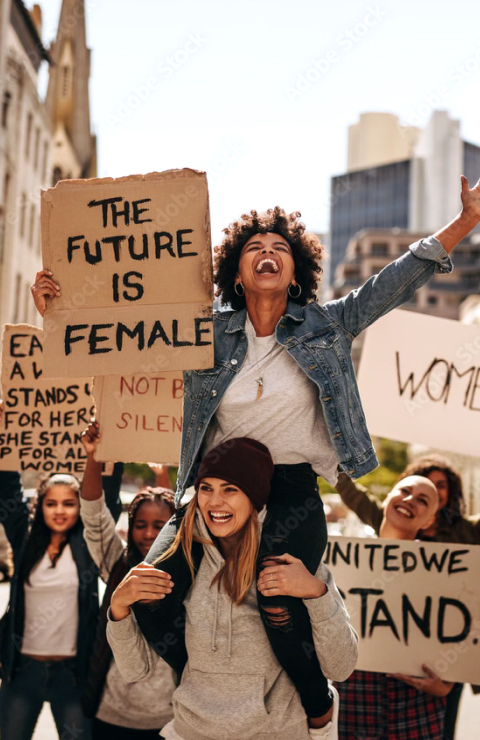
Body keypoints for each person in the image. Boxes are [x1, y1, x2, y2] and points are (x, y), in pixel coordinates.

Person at [32, 176, 480, 734]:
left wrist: (465, 221)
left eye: (279, 249)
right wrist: (59, 304)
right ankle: (191, 684)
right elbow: (122, 323)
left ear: (296, 271)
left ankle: (315, 698)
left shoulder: (328, 325)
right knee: (153, 585)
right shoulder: (202, 333)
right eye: (253, 249)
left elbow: (393, 282)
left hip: (291, 489)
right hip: (216, 488)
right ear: (235, 272)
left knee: (280, 601)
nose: (267, 255)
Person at [107, 439, 358, 740]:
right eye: (206, 488)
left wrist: (318, 593)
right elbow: (135, 670)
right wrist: (118, 608)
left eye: (230, 489)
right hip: (190, 732)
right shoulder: (183, 563)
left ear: (254, 499)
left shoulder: (293, 566)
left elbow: (341, 667)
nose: (215, 502)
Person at [336, 452, 480, 739]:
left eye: (424, 500)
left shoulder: (448, 567)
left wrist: (447, 682)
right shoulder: (343, 562)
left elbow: (461, 627)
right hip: (351, 700)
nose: (410, 500)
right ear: (388, 497)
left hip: (414, 709)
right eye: (405, 491)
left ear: (430, 520)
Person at [0, 463, 122, 740]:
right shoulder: (25, 539)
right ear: (40, 506)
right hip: (22, 673)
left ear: (80, 507)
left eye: (69, 503)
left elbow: (108, 498)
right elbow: (7, 491)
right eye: (51, 503)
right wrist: (4, 438)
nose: (59, 510)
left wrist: (106, 454)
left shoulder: (88, 542)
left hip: (73, 676)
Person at [79, 421, 177, 739]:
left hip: (173, 721)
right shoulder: (117, 565)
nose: (149, 533)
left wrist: (163, 477)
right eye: (141, 524)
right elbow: (94, 515)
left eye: (159, 525)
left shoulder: (191, 574)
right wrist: (93, 457)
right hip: (111, 716)